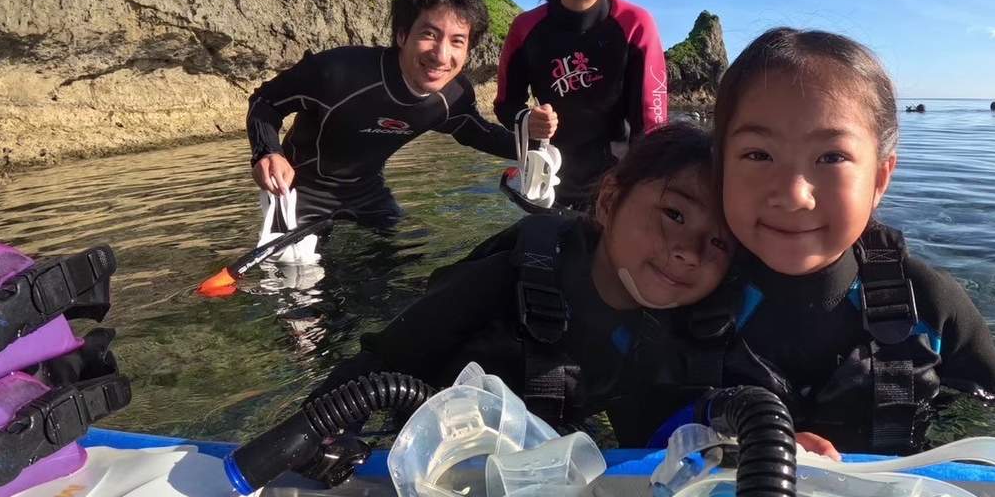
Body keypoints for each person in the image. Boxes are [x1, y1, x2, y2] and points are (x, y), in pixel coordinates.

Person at [311, 123, 735, 445]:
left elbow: (646, 432)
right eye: (674, 215)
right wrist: (330, 441)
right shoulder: (507, 278)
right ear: (608, 201)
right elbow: (374, 366)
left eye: (718, 240)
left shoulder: (673, 331)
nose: (689, 252)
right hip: (437, 442)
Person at [712, 28, 995, 458]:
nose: (792, 194)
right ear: (720, 166)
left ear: (879, 178)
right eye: (758, 155)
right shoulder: (690, 294)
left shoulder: (930, 305)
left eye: (831, 157)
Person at [246, 0, 516, 227]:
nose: (442, 56)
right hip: (297, 189)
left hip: (367, 191)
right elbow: (265, 103)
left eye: (457, 41)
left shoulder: (454, 96)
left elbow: (479, 133)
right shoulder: (338, 72)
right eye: (429, 34)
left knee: (407, 263)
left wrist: (543, 150)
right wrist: (267, 152)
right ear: (402, 34)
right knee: (303, 273)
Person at [494, 0, 668, 210]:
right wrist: (527, 119)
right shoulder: (526, 28)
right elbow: (506, 105)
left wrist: (635, 192)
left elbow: (651, 126)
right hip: (548, 182)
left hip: (616, 185)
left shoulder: (635, 25)